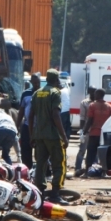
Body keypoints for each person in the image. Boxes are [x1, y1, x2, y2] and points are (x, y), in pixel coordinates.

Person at [30, 69, 69, 203]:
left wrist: (31, 135)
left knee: (41, 164)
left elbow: (30, 116)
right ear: (56, 80)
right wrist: (64, 136)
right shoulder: (55, 93)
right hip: (53, 136)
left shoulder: (37, 93)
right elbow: (56, 115)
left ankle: (40, 193)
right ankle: (55, 194)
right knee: (59, 163)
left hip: (39, 135)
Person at [82, 89, 111, 171]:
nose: (94, 95)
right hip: (104, 135)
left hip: (94, 133)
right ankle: (104, 172)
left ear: (98, 95)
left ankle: (87, 171)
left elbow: (89, 120)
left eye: (95, 94)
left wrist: (84, 132)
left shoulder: (92, 105)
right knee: (104, 154)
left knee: (90, 153)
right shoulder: (109, 107)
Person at [18, 74, 40, 168]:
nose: (36, 84)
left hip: (39, 127)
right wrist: (17, 125)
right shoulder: (25, 94)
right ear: (31, 82)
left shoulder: (43, 93)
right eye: (34, 82)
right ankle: (27, 170)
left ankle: (41, 172)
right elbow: (21, 111)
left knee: (40, 151)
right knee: (26, 150)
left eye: (38, 82)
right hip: (27, 126)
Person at [74, 88, 95, 177]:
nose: (94, 93)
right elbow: (82, 118)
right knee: (82, 150)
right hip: (87, 131)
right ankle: (78, 168)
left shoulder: (97, 103)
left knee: (94, 151)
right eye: (92, 91)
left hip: (95, 131)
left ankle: (93, 169)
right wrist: (82, 131)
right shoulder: (84, 103)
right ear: (89, 92)